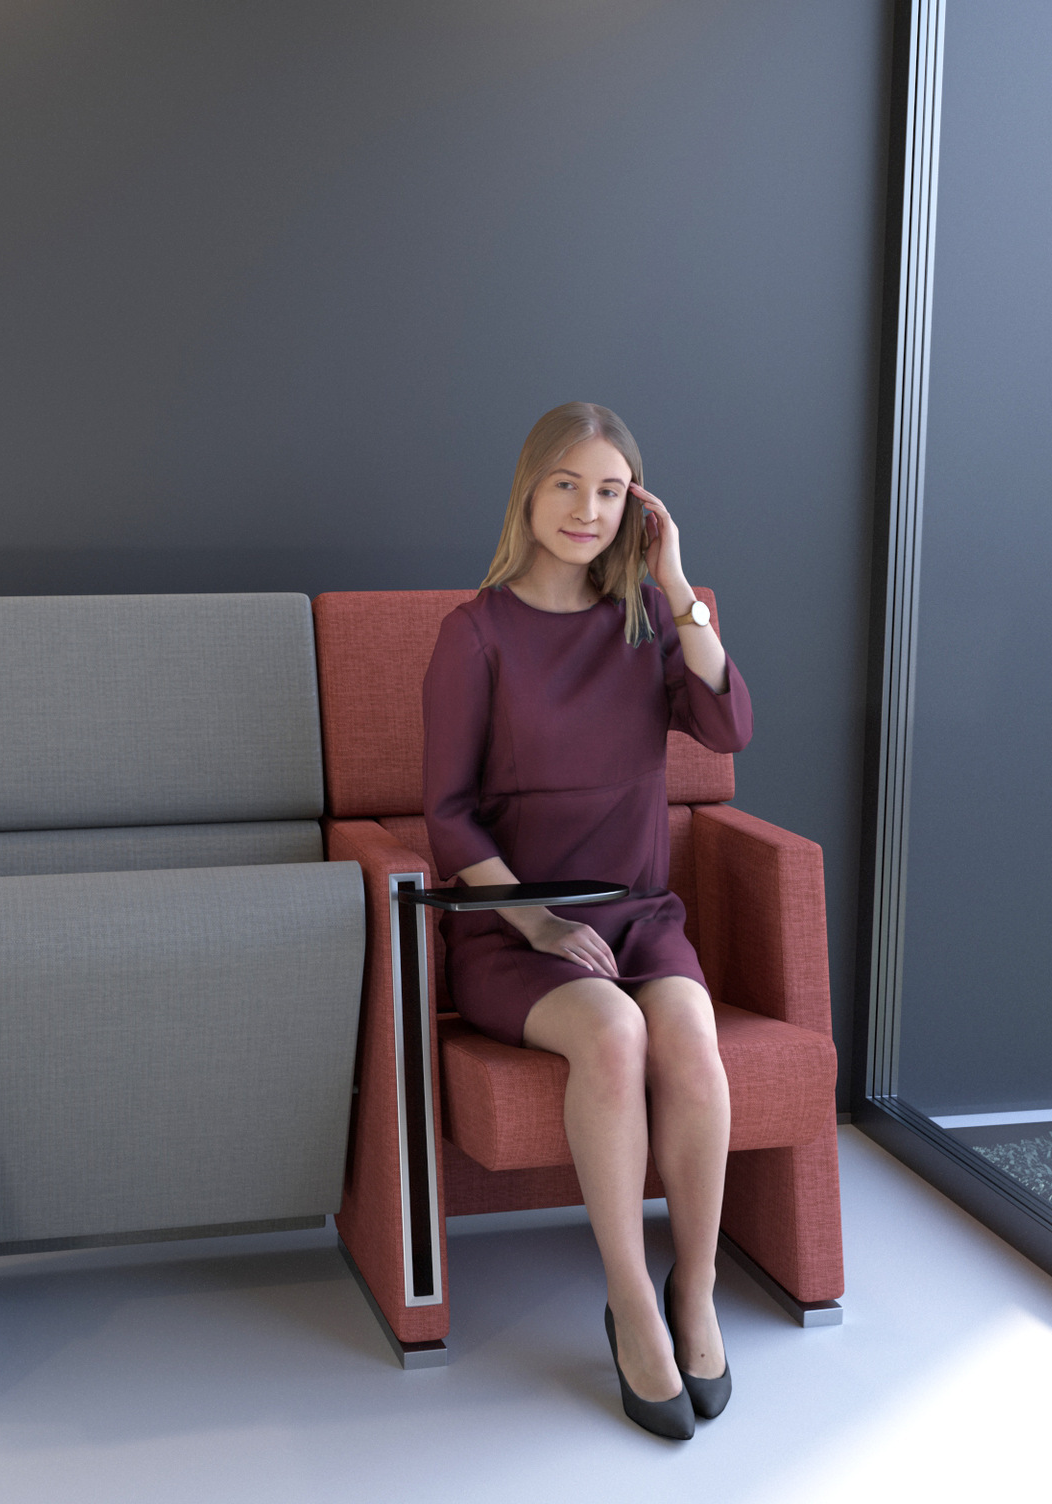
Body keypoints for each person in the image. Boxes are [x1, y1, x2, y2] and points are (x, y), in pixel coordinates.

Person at [421, 401, 750, 1440]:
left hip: (641, 914)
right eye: (568, 483)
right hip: (514, 927)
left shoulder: (650, 625)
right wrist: (536, 927)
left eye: (611, 491)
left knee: (691, 1045)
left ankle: (692, 1287)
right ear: (529, 488)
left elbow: (729, 721)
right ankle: (633, 1305)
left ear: (636, 510)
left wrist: (677, 586)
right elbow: (445, 812)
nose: (587, 508)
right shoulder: (474, 633)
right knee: (613, 1033)